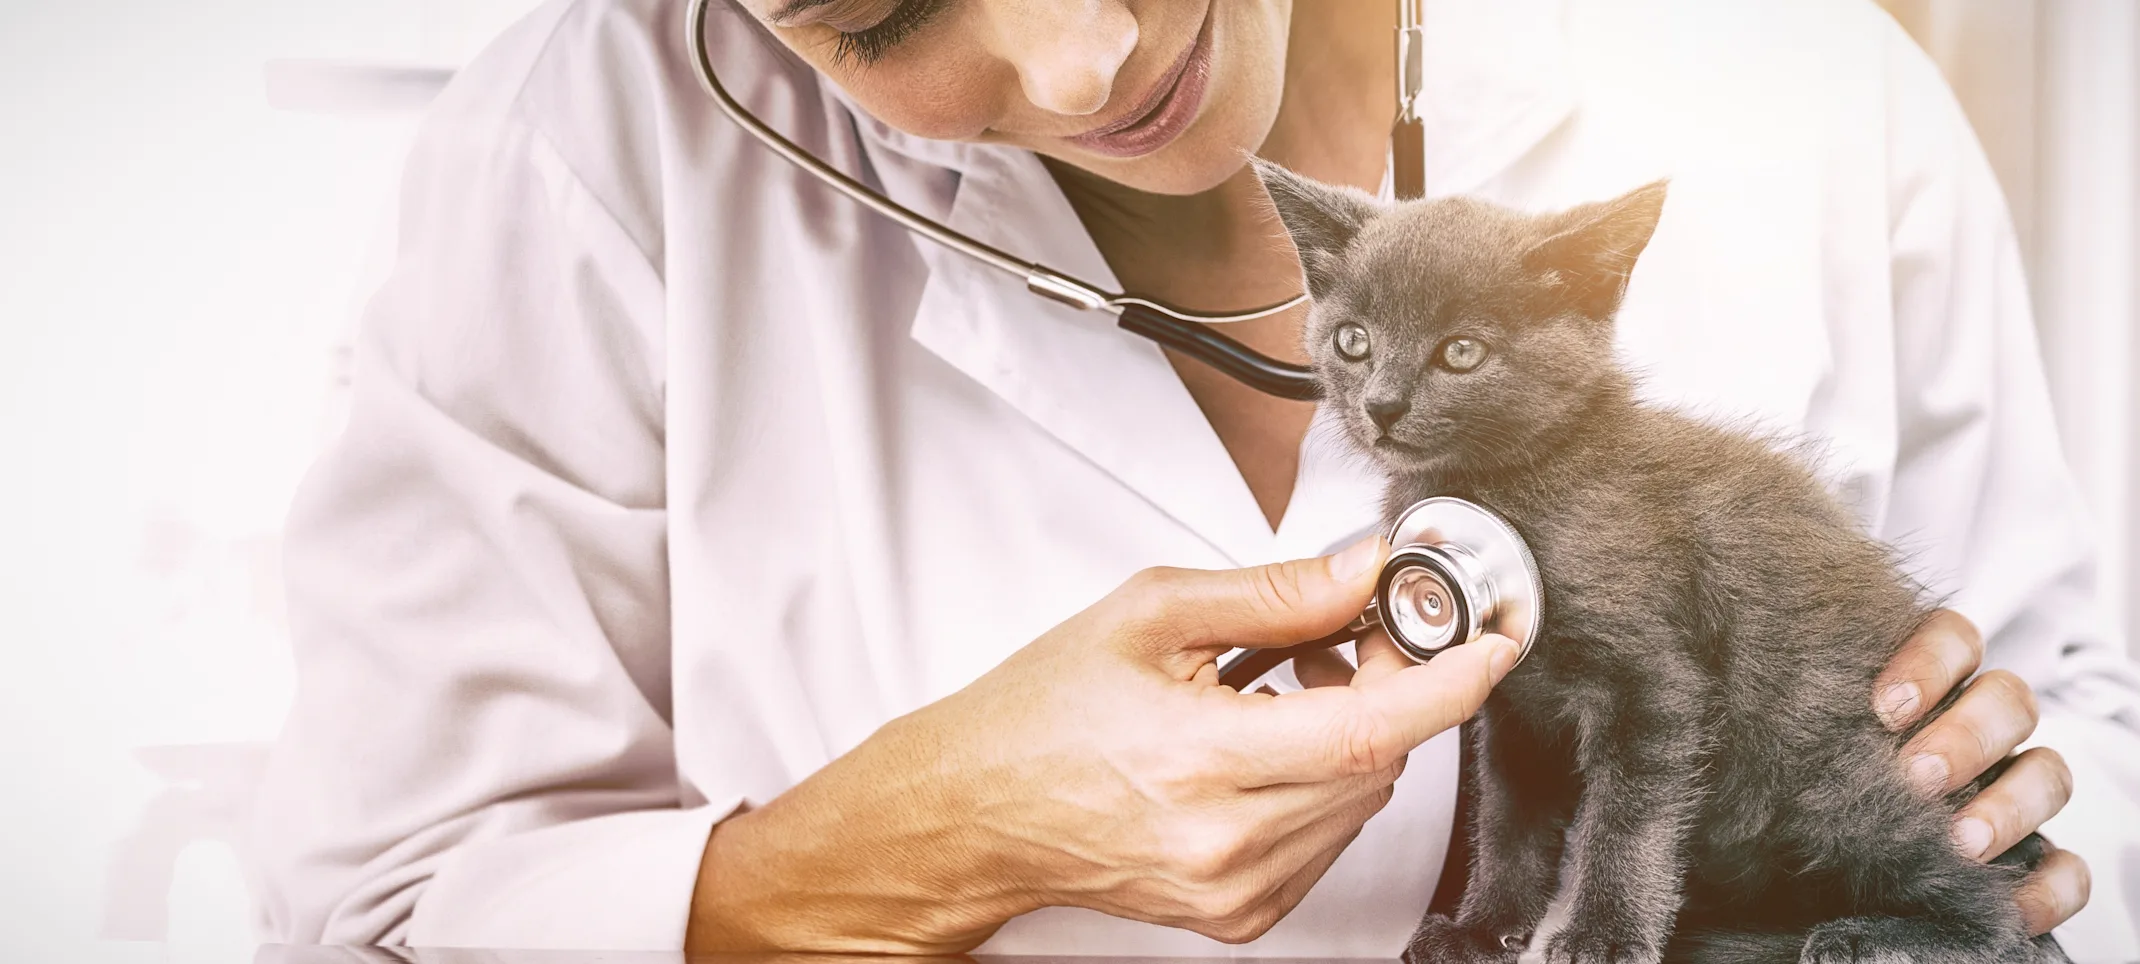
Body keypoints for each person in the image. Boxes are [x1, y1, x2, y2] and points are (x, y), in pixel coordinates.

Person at [249, 0, 2140, 958]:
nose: (1086, 63)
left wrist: (2020, 842)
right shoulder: (585, 157)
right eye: (881, 18)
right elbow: (385, 910)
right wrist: (910, 852)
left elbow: (2082, 747)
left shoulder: (1796, 83)